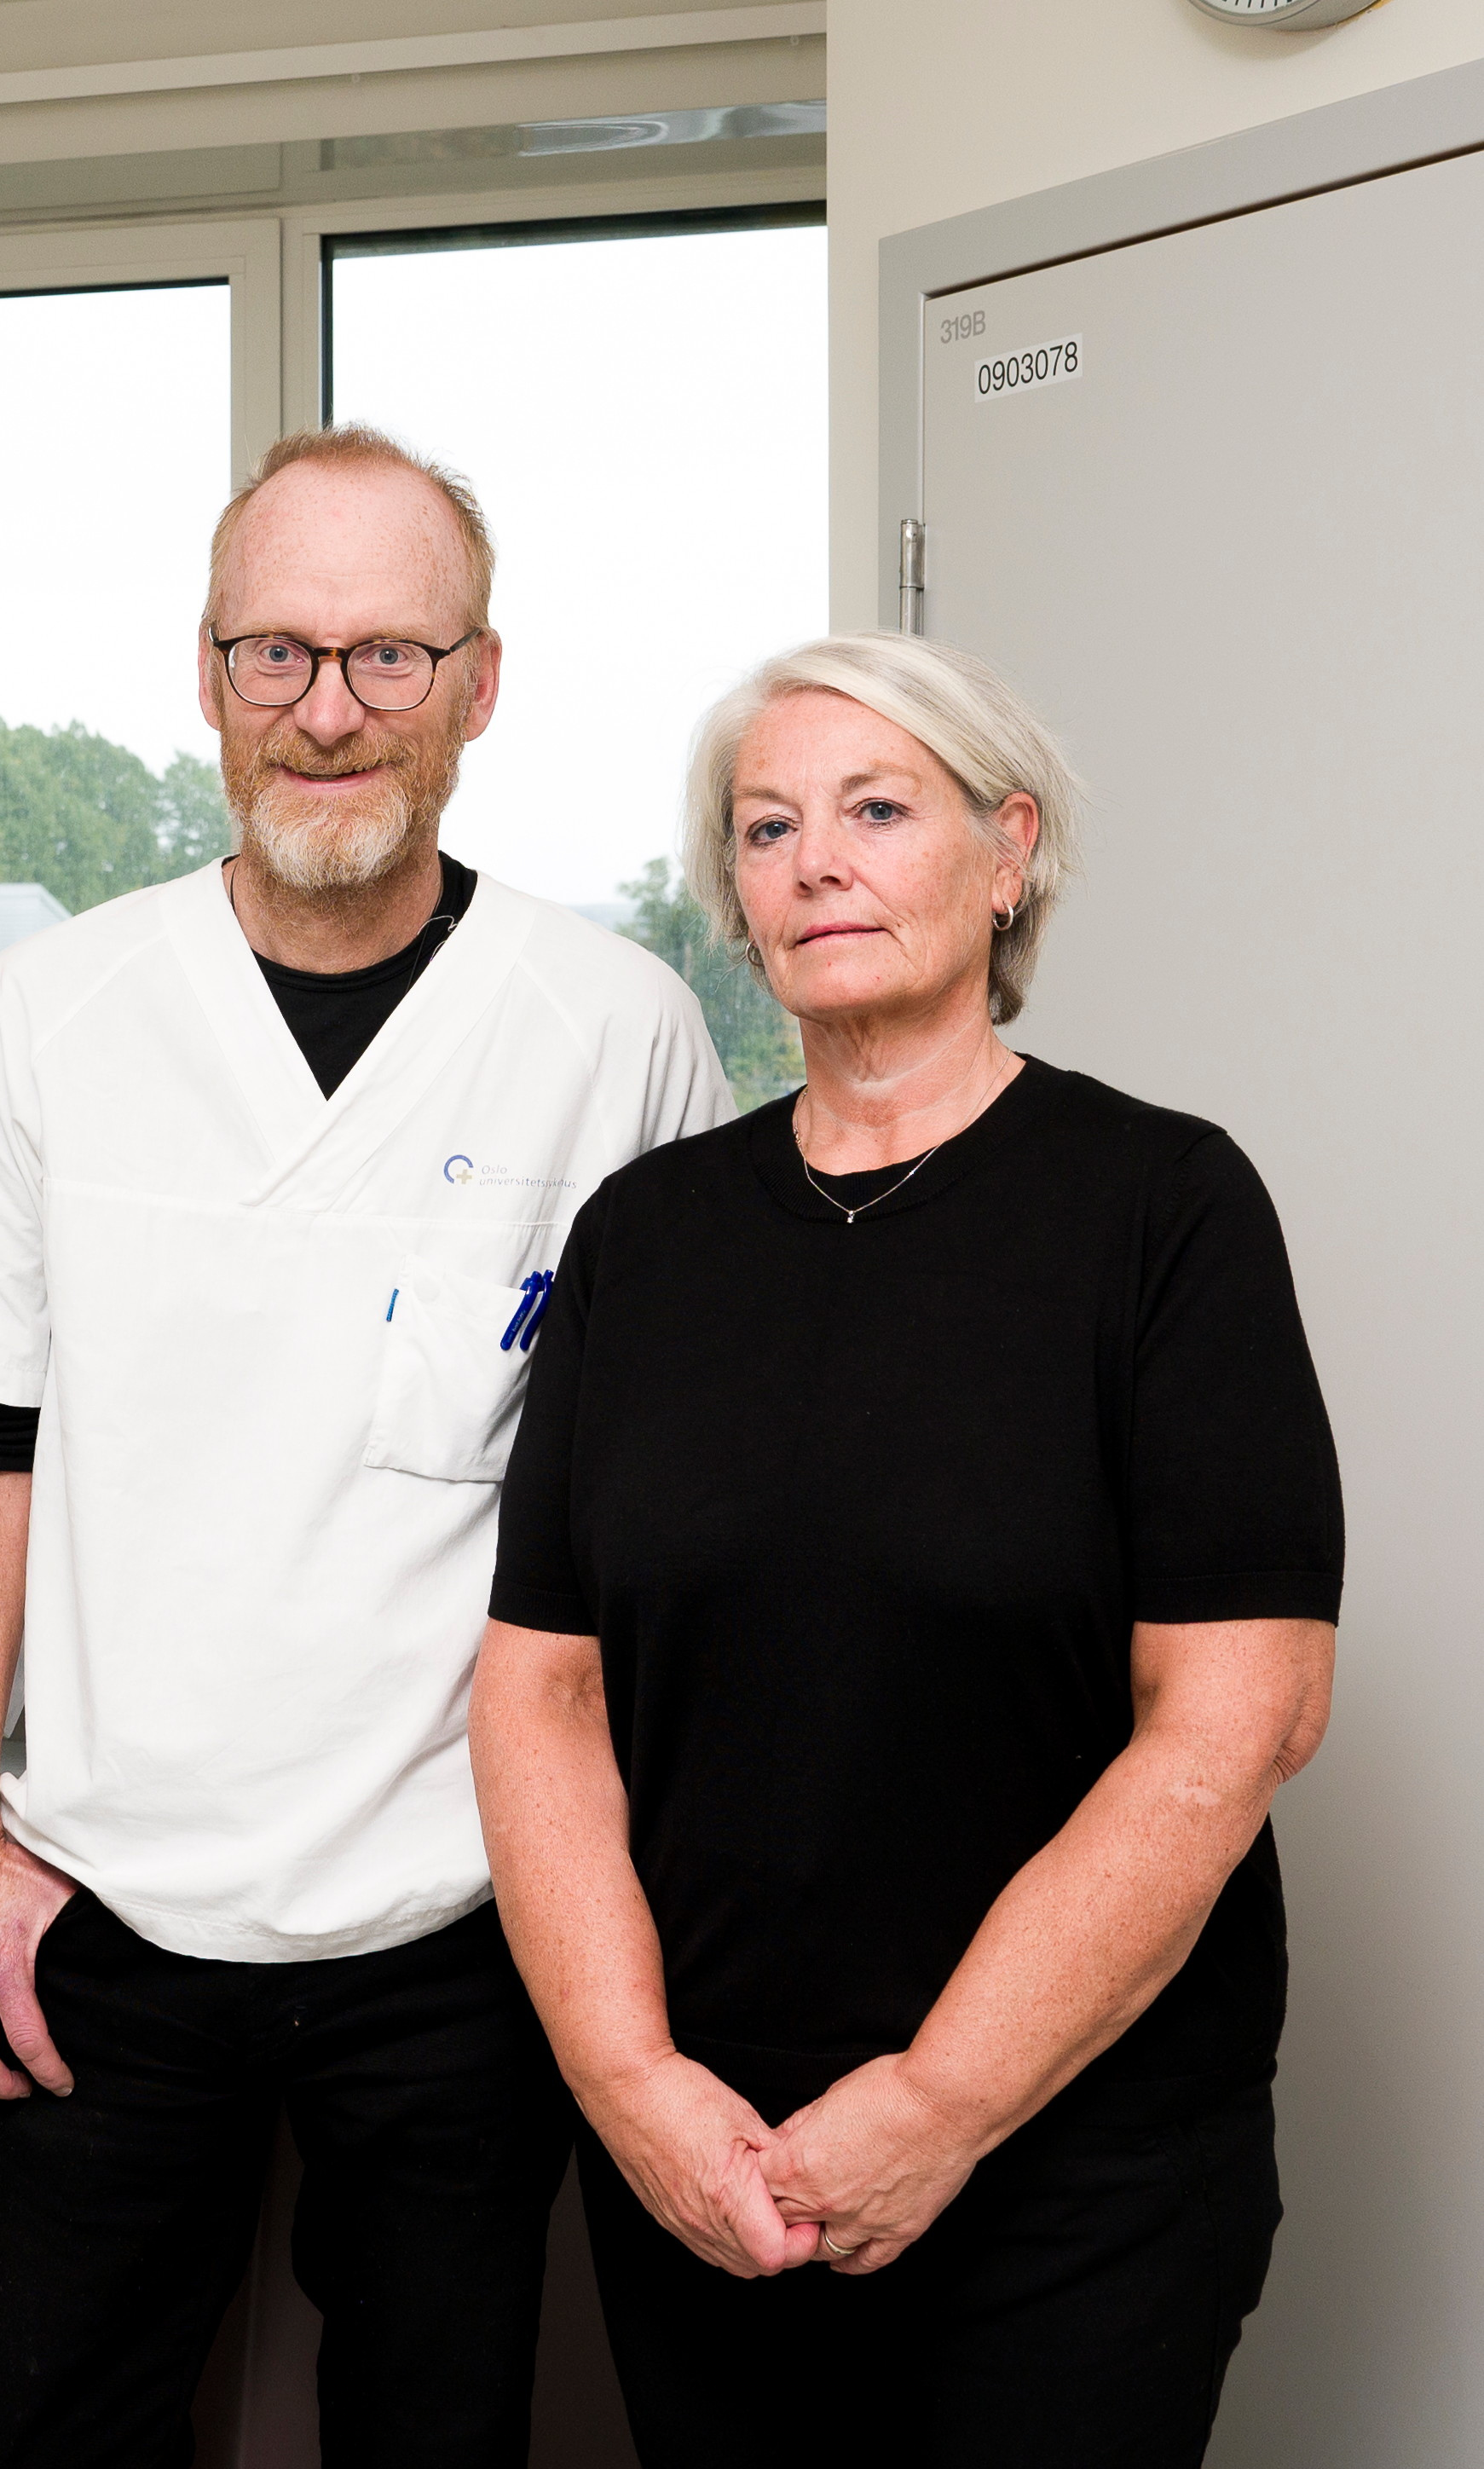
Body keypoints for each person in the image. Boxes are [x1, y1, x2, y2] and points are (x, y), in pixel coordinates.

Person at [0, 425, 730, 2466]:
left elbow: (674, 1497)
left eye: (381, 655)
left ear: (476, 682)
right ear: (204, 676)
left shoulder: (611, 1028)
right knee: (29, 2419)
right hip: (103, 1889)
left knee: (435, 2425)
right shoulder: (53, 1010)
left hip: (464, 1908)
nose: (325, 711)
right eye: (273, 654)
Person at [471, 633, 1342, 2468]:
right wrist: (630, 2085)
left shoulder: (1161, 1208)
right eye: (766, 827)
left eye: (875, 808)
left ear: (1004, 849)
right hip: (708, 2150)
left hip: (1070, 2164)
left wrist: (942, 2099)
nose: (814, 860)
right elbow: (538, 1688)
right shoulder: (645, 1240)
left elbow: (1235, 1715)